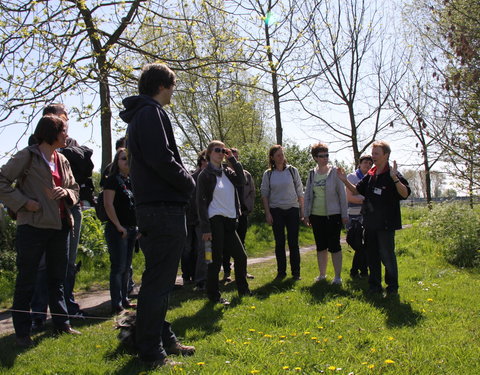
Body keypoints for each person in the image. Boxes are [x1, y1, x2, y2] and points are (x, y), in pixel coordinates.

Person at [120, 63, 196, 366]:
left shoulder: (141, 114)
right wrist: (189, 181)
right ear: (163, 85)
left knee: (159, 279)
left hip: (154, 208)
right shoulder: (150, 113)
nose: (173, 91)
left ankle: (162, 337)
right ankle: (151, 351)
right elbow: (161, 159)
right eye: (173, 85)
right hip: (161, 209)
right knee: (158, 282)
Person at [0, 114, 81, 347]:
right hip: (32, 227)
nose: (67, 134)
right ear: (52, 132)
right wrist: (24, 202)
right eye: (64, 130)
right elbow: (2, 180)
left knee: (57, 278)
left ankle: (62, 324)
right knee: (27, 279)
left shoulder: (62, 159)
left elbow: (74, 187)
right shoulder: (27, 156)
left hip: (61, 226)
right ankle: (22, 332)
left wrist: (67, 194)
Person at [337, 140, 410, 296]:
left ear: (386, 155)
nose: (373, 156)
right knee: (372, 256)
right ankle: (374, 286)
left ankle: (392, 288)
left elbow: (405, 193)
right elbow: (356, 191)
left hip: (386, 223)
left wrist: (395, 179)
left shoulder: (392, 173)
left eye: (376, 153)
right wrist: (344, 180)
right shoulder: (371, 174)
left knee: (387, 256)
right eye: (372, 153)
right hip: (369, 223)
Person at [196, 141, 251, 305]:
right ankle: (214, 296)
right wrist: (205, 228)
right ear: (209, 153)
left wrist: (232, 160)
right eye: (217, 150)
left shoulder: (227, 171)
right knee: (215, 260)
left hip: (230, 220)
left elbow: (242, 180)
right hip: (215, 220)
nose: (221, 153)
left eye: (223, 150)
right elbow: (200, 203)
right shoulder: (204, 175)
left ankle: (243, 290)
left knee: (241, 257)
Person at [304, 143, 348, 285]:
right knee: (321, 246)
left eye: (327, 155)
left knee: (334, 246)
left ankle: (337, 277)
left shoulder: (335, 172)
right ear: (315, 157)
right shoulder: (312, 173)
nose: (325, 158)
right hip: (316, 215)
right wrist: (306, 214)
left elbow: (342, 195)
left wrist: (344, 214)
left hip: (333, 215)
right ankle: (322, 275)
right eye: (321, 156)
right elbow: (308, 196)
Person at [260, 145, 304, 281]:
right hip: (276, 210)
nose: (281, 157)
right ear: (272, 157)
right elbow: (264, 194)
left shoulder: (292, 171)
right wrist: (268, 213)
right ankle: (281, 272)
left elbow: (300, 190)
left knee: (293, 242)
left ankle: (296, 272)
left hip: (292, 209)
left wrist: (302, 210)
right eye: (278, 155)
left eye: (282, 154)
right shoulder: (268, 174)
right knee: (280, 243)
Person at [103, 148, 137, 314]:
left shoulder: (130, 180)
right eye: (124, 159)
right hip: (118, 230)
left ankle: (125, 299)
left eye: (129, 159)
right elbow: (108, 205)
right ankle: (116, 303)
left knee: (127, 267)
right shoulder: (112, 181)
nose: (127, 162)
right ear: (117, 162)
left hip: (131, 229)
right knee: (118, 267)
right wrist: (118, 226)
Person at [222, 147, 255, 282]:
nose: (234, 159)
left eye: (236, 157)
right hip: (229, 213)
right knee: (226, 245)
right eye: (232, 157)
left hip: (243, 213)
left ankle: (242, 271)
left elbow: (252, 192)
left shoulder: (246, 174)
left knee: (241, 242)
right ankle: (227, 273)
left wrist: (248, 208)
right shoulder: (224, 173)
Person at [183, 151, 208, 291]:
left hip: (202, 220)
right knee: (187, 249)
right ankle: (188, 276)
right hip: (189, 219)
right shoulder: (192, 178)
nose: (207, 162)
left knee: (203, 249)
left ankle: (202, 278)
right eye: (205, 160)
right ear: (200, 161)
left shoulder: (210, 177)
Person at [346, 154, 373, 279]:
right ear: (359, 164)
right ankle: (360, 270)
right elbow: (349, 197)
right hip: (353, 215)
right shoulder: (352, 177)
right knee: (357, 244)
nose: (367, 165)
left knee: (366, 244)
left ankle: (359, 271)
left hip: (367, 215)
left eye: (370, 163)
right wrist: (367, 201)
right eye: (365, 163)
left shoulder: (372, 178)